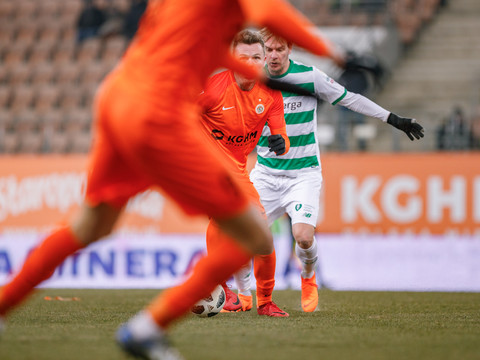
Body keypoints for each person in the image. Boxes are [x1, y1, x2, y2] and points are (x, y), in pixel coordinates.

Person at [0, 0, 347, 359]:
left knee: (91, 225)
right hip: (158, 113)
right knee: (254, 234)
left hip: (117, 97)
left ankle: (3, 305)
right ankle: (149, 327)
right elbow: (272, 13)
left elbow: (202, 48)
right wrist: (336, 55)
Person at [233, 28, 424, 314]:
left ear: (290, 48)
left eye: (279, 49)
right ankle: (244, 296)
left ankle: (308, 278)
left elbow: (349, 98)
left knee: (303, 236)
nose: (273, 55)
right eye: (268, 50)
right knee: (240, 239)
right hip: (266, 175)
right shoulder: (250, 81)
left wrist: (392, 118)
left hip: (303, 173)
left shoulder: (309, 77)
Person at [199, 29, 289, 316]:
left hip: (238, 169)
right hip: (204, 164)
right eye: (242, 58)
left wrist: (279, 143)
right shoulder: (213, 88)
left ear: (264, 60)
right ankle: (222, 286)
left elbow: (283, 141)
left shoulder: (272, 94)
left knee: (262, 237)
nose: (249, 63)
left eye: (256, 57)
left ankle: (265, 302)